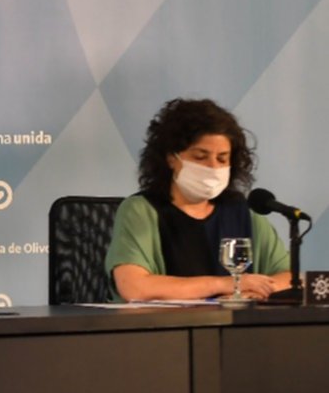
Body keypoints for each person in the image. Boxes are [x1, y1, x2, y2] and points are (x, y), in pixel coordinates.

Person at [106, 98, 291, 302]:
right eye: (200, 157)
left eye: (222, 158)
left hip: (233, 322)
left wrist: (256, 290)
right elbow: (134, 287)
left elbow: (290, 277)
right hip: (166, 322)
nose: (213, 167)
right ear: (171, 158)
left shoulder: (241, 211)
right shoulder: (141, 210)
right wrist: (225, 285)